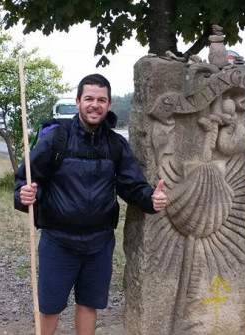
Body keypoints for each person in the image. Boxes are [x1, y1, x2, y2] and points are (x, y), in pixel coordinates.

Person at [14, 74, 167, 335]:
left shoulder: (116, 144)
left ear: (108, 105)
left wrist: (151, 199)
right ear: (77, 102)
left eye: (101, 100)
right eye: (89, 99)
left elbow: (131, 186)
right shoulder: (55, 139)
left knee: (88, 304)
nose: (94, 105)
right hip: (58, 241)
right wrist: (23, 195)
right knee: (49, 307)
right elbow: (27, 180)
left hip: (99, 243)